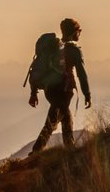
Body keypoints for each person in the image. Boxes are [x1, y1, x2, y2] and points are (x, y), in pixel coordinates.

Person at [26, 17, 92, 154]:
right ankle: (36, 151)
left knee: (66, 117)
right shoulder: (74, 51)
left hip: (50, 90)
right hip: (64, 91)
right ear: (73, 32)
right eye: (79, 30)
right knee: (52, 121)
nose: (80, 33)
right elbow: (82, 74)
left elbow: (38, 68)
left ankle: (70, 150)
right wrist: (87, 94)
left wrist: (33, 93)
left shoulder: (53, 48)